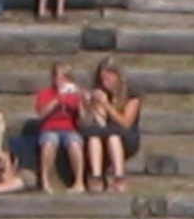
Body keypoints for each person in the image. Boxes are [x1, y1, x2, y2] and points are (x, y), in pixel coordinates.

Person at [81, 55, 142, 192]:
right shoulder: (100, 92)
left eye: (108, 78)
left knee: (113, 136)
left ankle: (119, 178)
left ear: (117, 76)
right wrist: (89, 106)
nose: (105, 82)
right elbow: (99, 123)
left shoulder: (131, 94)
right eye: (102, 79)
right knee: (94, 135)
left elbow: (126, 123)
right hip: (105, 132)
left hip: (126, 135)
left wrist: (106, 105)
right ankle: (96, 177)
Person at [35, 61, 86, 192]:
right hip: (50, 127)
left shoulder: (74, 95)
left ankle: (79, 182)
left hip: (69, 128)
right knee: (50, 142)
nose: (62, 81)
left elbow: (82, 120)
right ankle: (45, 180)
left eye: (65, 77)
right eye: (59, 77)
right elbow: (41, 115)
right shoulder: (45, 93)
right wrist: (56, 101)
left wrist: (81, 102)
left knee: (74, 143)